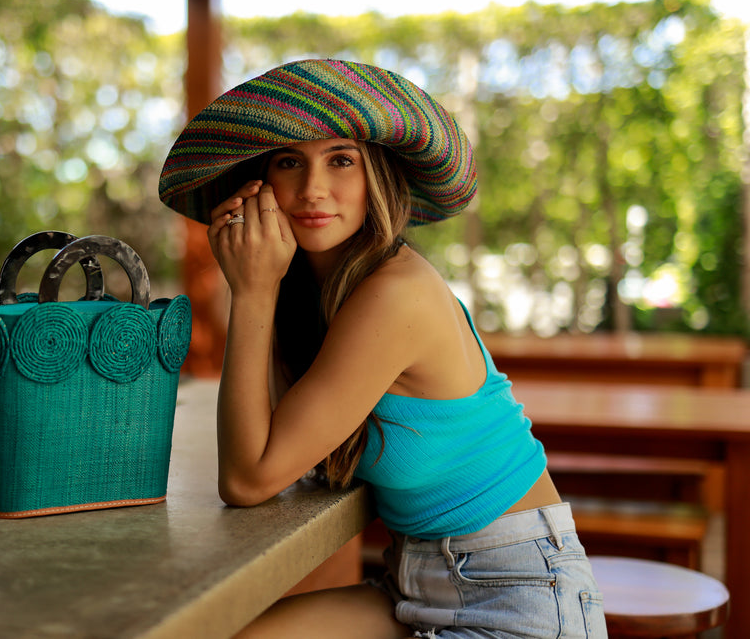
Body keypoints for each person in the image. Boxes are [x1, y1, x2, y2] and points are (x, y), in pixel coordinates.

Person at [158, 59, 607, 638]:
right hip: (413, 582)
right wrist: (258, 288)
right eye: (289, 161)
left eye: (341, 160)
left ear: (379, 178)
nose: (313, 188)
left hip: (517, 596)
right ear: (260, 184)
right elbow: (274, 441)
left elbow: (249, 480)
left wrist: (252, 293)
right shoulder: (313, 294)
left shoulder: (396, 294)